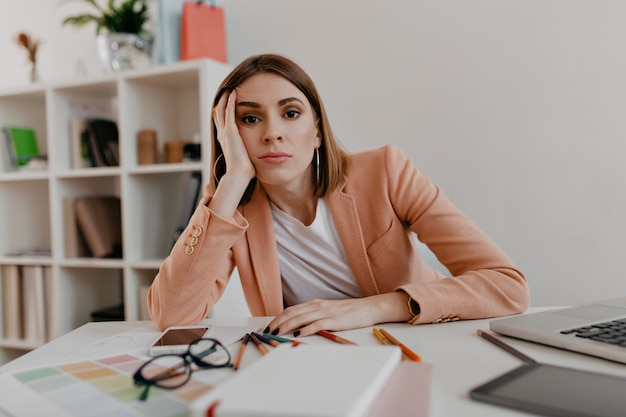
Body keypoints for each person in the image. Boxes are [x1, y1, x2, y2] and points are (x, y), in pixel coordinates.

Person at [147, 53, 529, 336]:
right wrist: (231, 181)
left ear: (316, 131)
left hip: (416, 342)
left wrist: (373, 309)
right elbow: (171, 316)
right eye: (250, 118)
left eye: (291, 113)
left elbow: (507, 285)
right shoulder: (229, 209)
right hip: (310, 364)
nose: (272, 133)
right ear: (229, 134)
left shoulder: (385, 171)